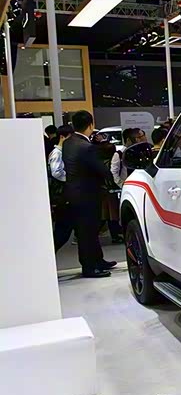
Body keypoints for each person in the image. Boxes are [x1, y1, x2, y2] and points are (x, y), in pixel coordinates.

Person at [62, 110, 117, 278]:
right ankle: (89, 267)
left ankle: (98, 260)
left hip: (74, 193)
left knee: (87, 231)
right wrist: (110, 181)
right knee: (88, 232)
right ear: (91, 125)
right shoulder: (86, 147)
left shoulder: (68, 142)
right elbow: (100, 169)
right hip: (88, 195)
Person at [49, 125, 74, 252]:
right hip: (61, 197)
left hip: (64, 196)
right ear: (62, 137)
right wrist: (70, 178)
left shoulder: (63, 152)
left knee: (64, 230)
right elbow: (56, 172)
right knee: (62, 231)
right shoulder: (57, 153)